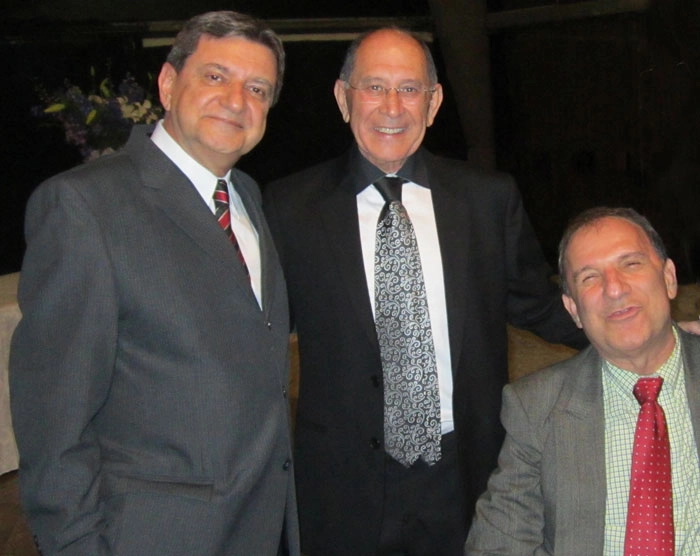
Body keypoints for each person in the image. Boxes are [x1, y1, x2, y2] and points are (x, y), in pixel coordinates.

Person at [263, 27, 587, 555]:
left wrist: (648, 337)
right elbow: (258, 328)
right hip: (341, 485)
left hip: (464, 476)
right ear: (343, 98)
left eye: (410, 89)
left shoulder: (486, 200)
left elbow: (541, 306)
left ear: (433, 103)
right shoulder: (290, 207)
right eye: (374, 87)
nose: (392, 106)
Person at [10, 11, 299, 556]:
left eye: (256, 88)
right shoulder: (85, 206)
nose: (236, 99)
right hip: (149, 535)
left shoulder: (248, 198)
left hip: (259, 526)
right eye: (215, 76)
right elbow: (54, 422)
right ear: (168, 83)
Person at [465, 207, 700, 555]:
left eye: (631, 264)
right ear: (573, 309)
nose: (615, 288)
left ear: (668, 278)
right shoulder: (536, 407)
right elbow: (500, 545)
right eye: (589, 277)